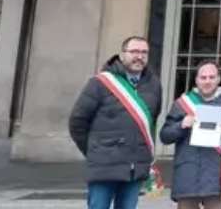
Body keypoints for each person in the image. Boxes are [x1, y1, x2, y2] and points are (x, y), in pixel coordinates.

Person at [68, 35, 164, 209]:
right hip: (104, 166)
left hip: (134, 168)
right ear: (122, 55)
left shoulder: (154, 85)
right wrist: (96, 150)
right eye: (134, 51)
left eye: (144, 52)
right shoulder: (100, 83)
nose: (139, 56)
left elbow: (151, 121)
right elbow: (77, 122)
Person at [159, 61, 221, 209]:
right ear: (196, 80)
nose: (207, 81)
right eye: (203, 78)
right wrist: (182, 124)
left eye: (211, 77)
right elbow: (165, 136)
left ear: (218, 79)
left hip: (215, 176)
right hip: (187, 173)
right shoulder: (182, 103)